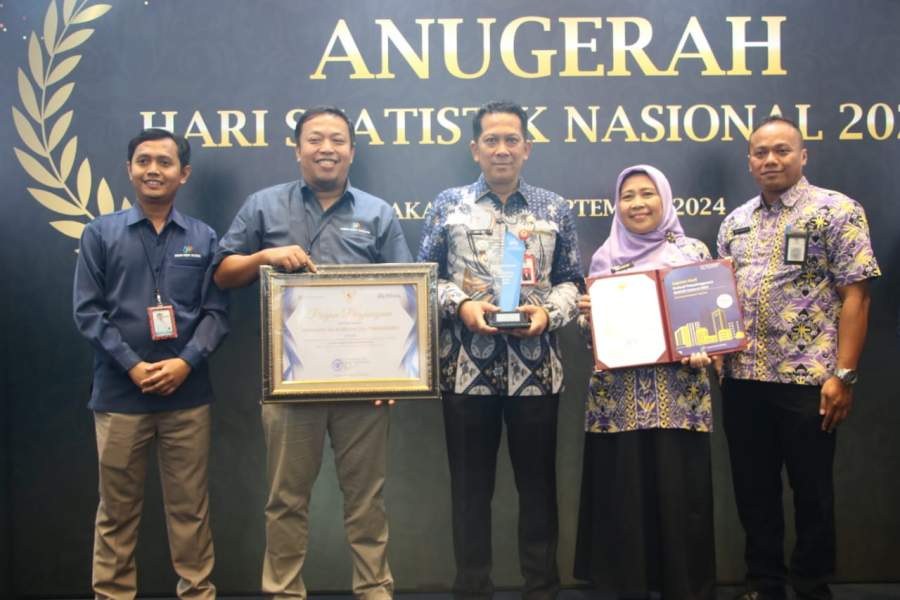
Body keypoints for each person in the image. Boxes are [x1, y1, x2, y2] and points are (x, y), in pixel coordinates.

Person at [213, 106, 411, 600]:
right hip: (289, 383)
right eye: (316, 139)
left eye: (338, 140)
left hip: (364, 386)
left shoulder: (378, 213)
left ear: (352, 151)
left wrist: (397, 375)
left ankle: (374, 590)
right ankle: (283, 593)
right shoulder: (263, 206)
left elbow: (408, 292)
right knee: (286, 501)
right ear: (298, 148)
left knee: (367, 501)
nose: (327, 148)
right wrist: (264, 256)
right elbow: (222, 273)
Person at [417, 100, 582, 600]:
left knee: (539, 491)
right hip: (466, 372)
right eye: (492, 140)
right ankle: (472, 590)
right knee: (470, 492)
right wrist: (461, 305)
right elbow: (423, 280)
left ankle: (542, 589)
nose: (502, 149)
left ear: (527, 148)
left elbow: (572, 281)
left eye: (512, 140)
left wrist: (548, 314)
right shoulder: (448, 206)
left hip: (537, 373)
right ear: (475, 149)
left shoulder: (553, 208)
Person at [717, 116, 881, 600]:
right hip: (743, 379)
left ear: (802, 155)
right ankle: (763, 584)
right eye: (761, 152)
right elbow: (720, 297)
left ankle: (811, 586)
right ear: (749, 161)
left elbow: (857, 297)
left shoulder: (836, 211)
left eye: (782, 150)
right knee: (754, 492)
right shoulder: (735, 222)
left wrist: (844, 375)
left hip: (809, 381)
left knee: (812, 493)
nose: (771, 159)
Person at [73, 128, 229, 599]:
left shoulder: (203, 237)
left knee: (190, 510)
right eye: (143, 161)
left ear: (184, 173)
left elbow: (216, 314)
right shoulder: (100, 233)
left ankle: (197, 592)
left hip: (187, 396)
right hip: (121, 396)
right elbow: (88, 312)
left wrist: (186, 362)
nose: (153, 170)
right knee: (116, 511)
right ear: (129, 170)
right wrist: (132, 365)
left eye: (164, 162)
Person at [573, 165, 717, 600]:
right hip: (619, 403)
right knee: (624, 498)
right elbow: (593, 339)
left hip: (679, 399)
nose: (637, 203)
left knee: (680, 499)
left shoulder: (692, 251)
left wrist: (706, 346)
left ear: (665, 199)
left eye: (647, 193)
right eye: (628, 196)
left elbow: (711, 319)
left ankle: (684, 589)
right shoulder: (605, 257)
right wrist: (588, 317)